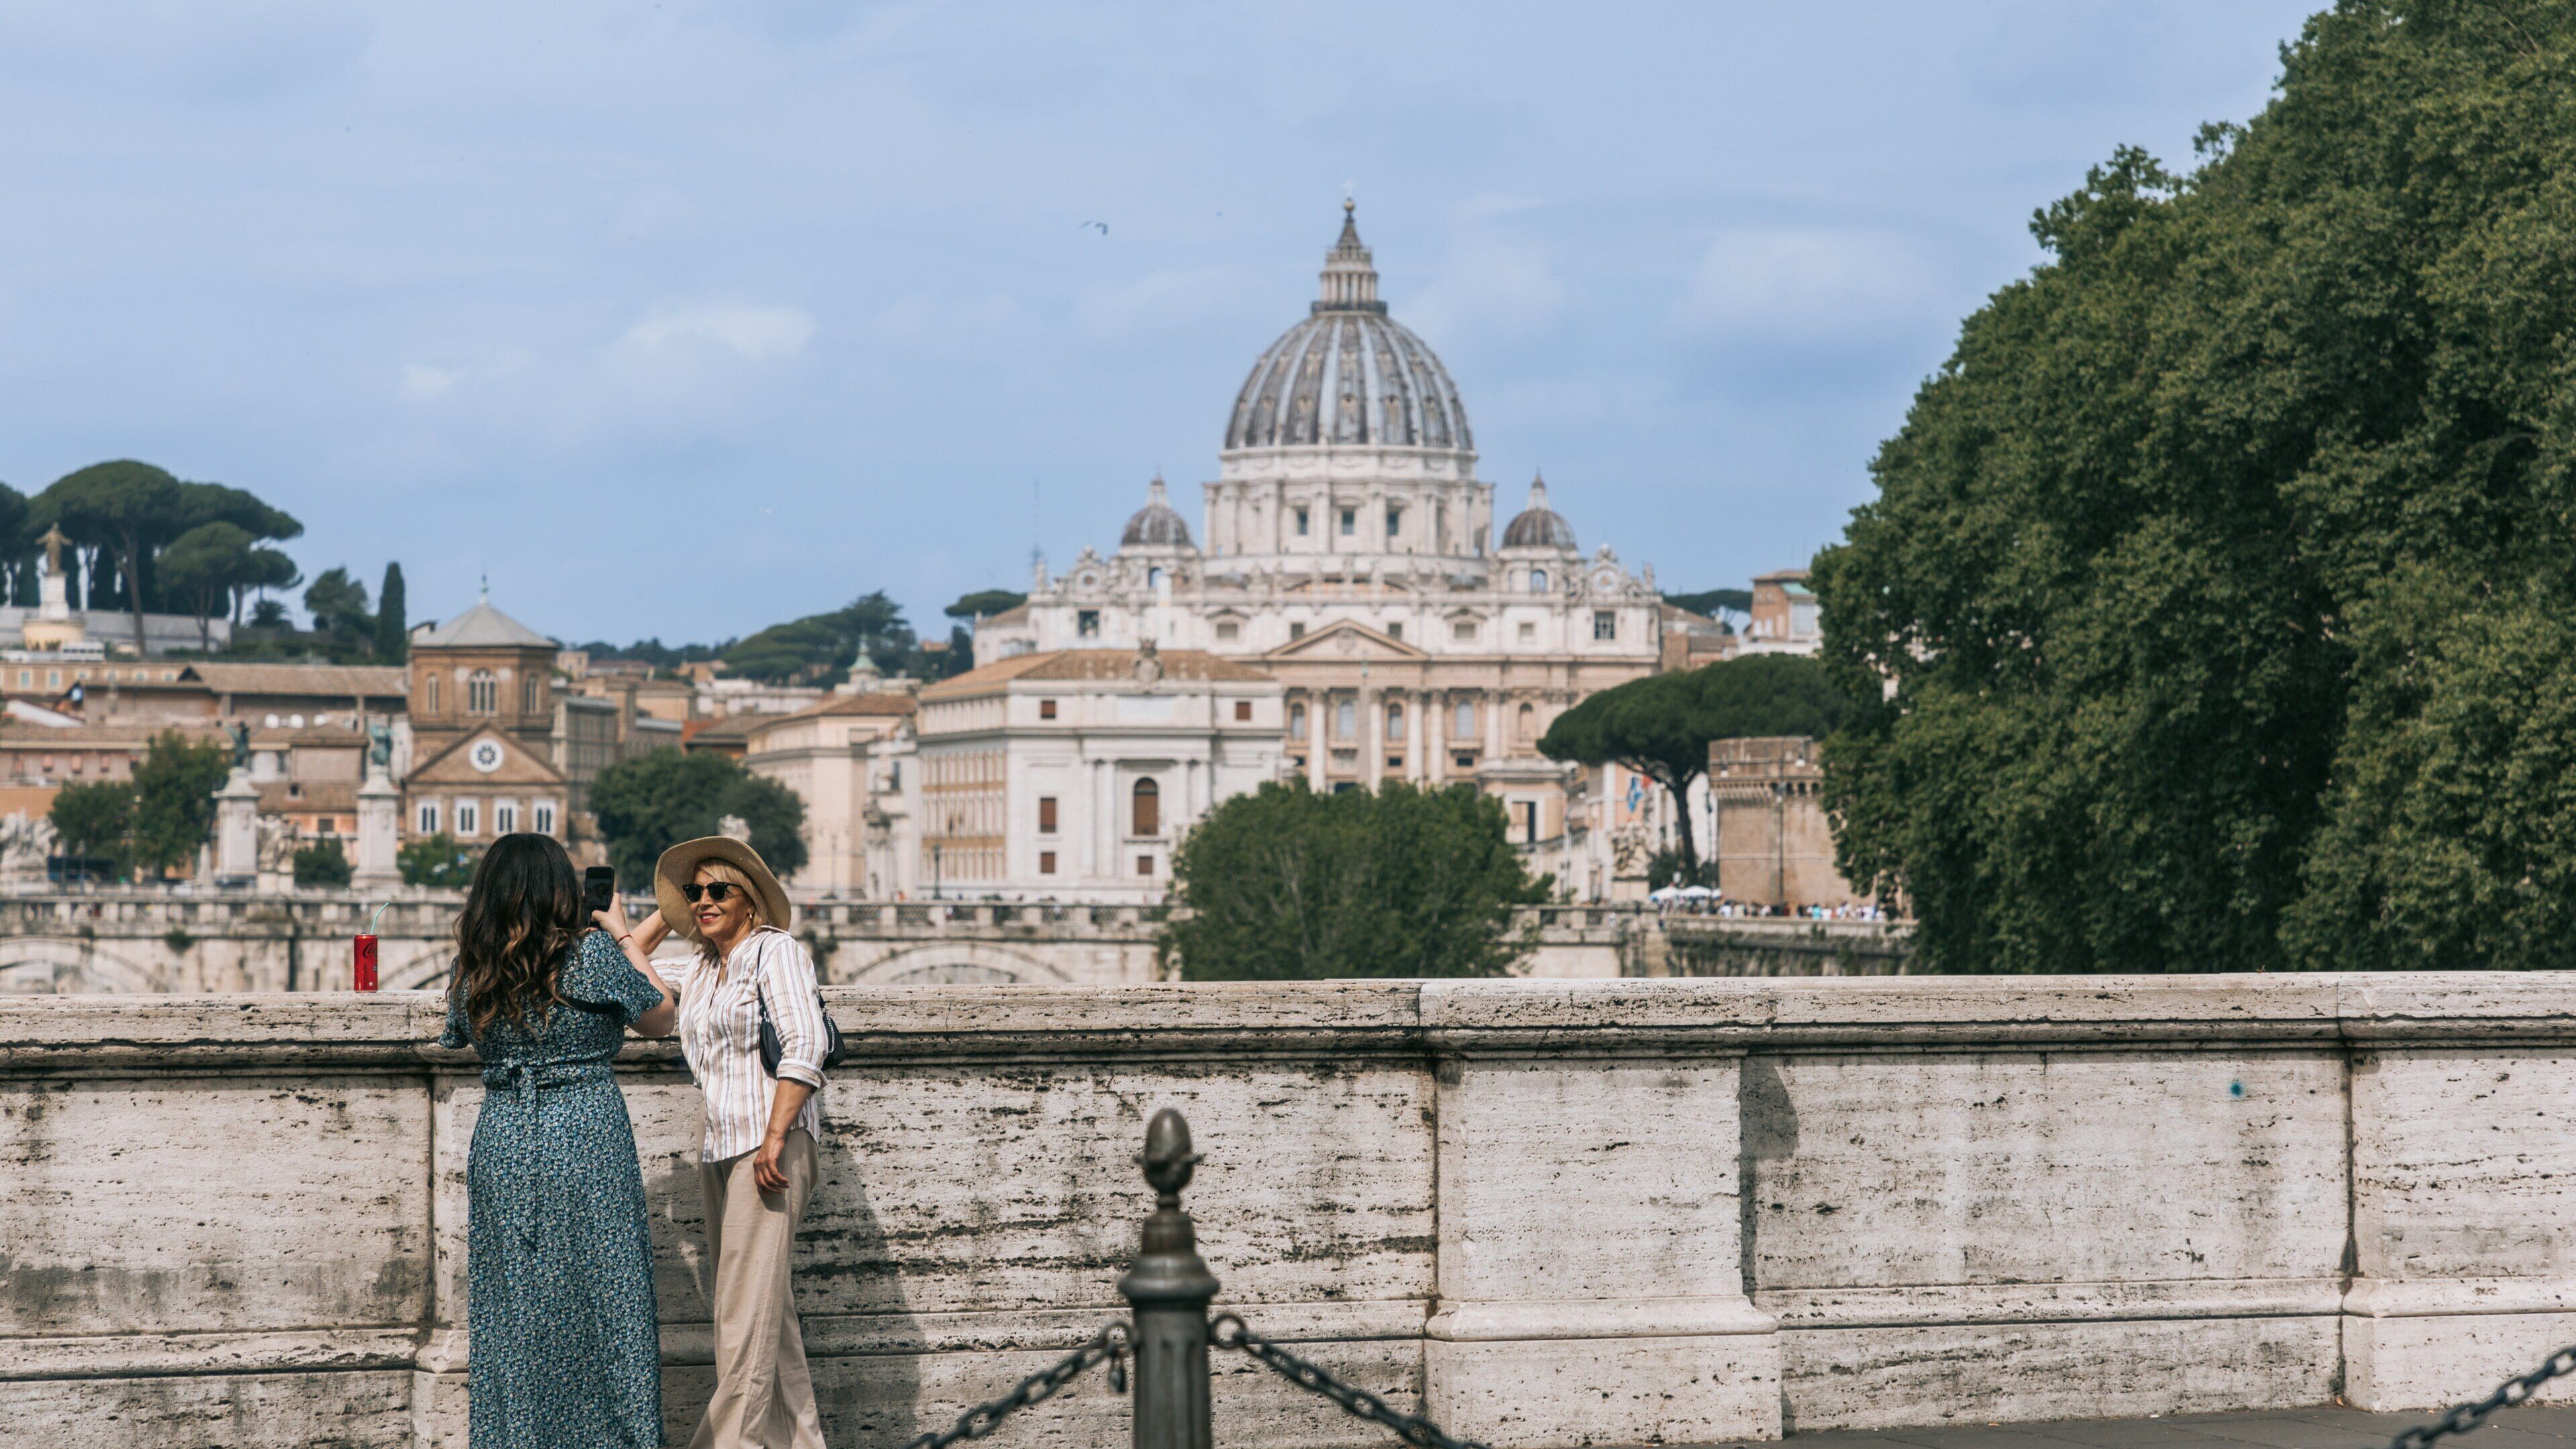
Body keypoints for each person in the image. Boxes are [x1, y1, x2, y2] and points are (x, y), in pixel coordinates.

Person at [438, 833, 678, 1449]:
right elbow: (660, 1015)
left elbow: (456, 1036)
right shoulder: (591, 956)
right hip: (586, 1134)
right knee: (606, 1299)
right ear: (561, 890)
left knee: (513, 1306)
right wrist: (623, 933)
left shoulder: (474, 966)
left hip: (505, 1138)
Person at [625, 836, 831, 1449]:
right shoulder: (706, 968)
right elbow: (637, 990)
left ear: (752, 902)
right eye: (696, 892)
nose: (705, 901)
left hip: (772, 1145)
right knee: (769, 1311)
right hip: (720, 1144)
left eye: (720, 890)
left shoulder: (775, 952)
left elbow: (807, 1045)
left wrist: (775, 1136)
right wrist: (661, 913)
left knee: (741, 1315)